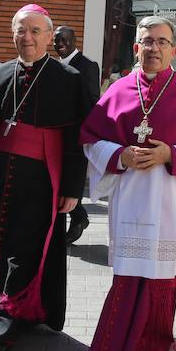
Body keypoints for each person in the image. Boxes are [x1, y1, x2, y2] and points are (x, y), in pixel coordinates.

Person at [81, 16, 176, 351]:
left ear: (173, 50)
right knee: (129, 273)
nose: (154, 48)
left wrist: (170, 156)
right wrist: (119, 156)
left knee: (158, 274)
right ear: (136, 48)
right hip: (129, 198)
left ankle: (144, 349)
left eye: (162, 41)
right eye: (147, 41)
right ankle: (118, 348)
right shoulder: (118, 90)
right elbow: (91, 139)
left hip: (167, 199)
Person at [0, 4, 89, 351]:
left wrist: (74, 188)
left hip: (44, 178)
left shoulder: (69, 78)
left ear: (49, 37)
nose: (26, 37)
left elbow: (79, 138)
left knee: (26, 249)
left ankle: (3, 324)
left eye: (34, 31)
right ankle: (12, 310)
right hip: (0, 176)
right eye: (19, 30)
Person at [53, 25, 101, 245]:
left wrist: (87, 135)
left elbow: (92, 103)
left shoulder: (87, 66)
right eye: (56, 40)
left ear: (74, 41)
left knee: (70, 182)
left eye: (64, 39)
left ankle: (77, 218)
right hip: (54, 135)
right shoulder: (53, 65)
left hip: (75, 136)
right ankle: (78, 216)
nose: (59, 44)